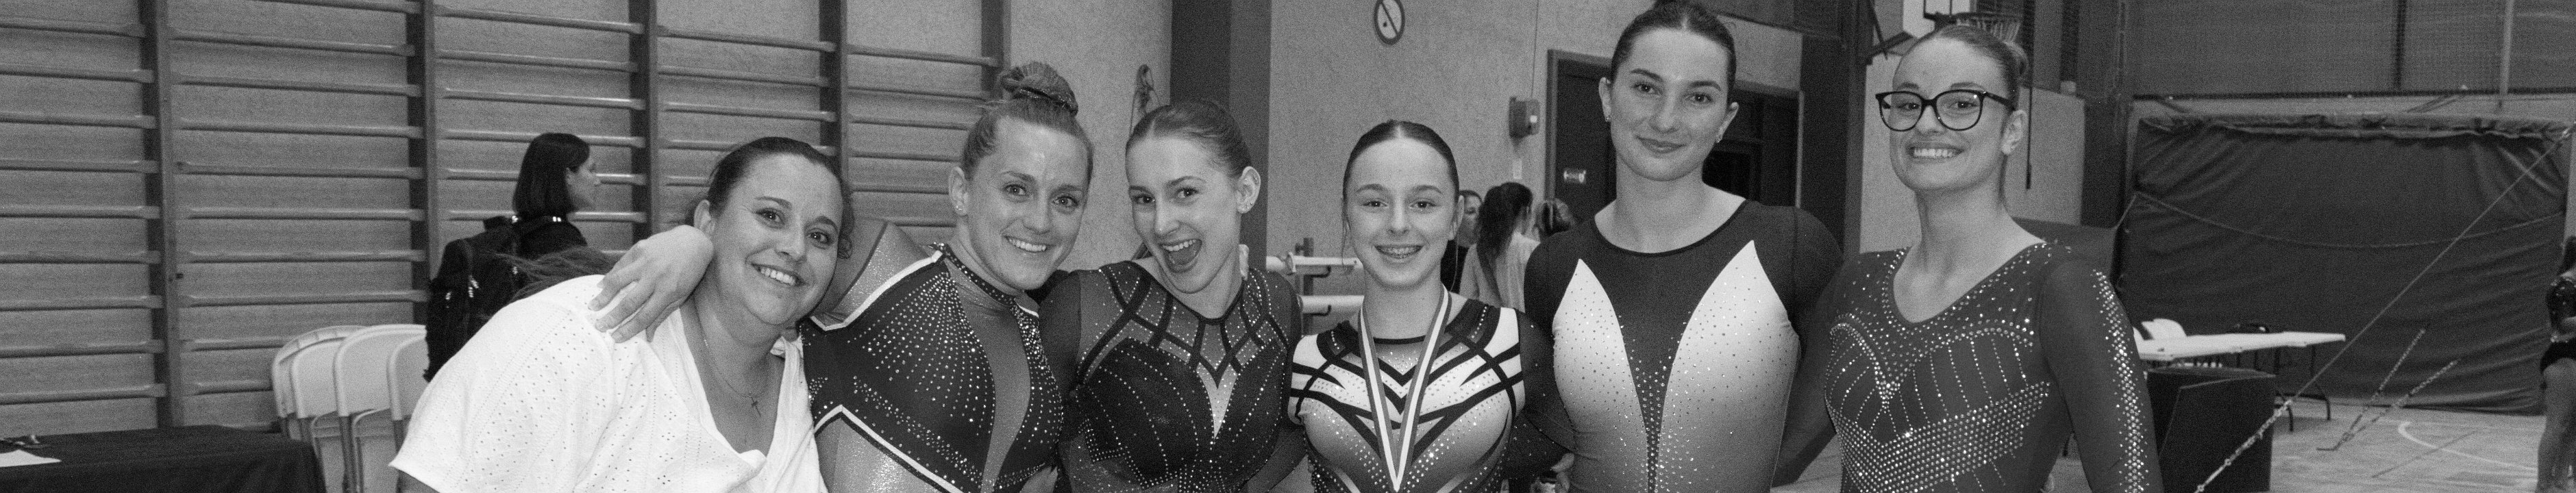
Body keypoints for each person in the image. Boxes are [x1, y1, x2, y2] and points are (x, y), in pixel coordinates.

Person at [578, 63, 1099, 492]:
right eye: (1016, 189)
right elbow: (771, 242)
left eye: (1066, 200)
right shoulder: (881, 264)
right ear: (961, 191)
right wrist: (693, 240)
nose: (1040, 221)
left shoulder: (1051, 329)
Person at [1774, 24, 2161, 492]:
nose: (1927, 123)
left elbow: (2133, 484)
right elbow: (1778, 459)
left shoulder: (2063, 288)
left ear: (2012, 131)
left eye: (1961, 104)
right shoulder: (1857, 282)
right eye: (1909, 103)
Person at [1515, 3, 1844, 492]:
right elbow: (1548, 431)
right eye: (1646, 88)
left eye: (1698, 97)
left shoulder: (1791, 245)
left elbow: (1844, 388)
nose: (1666, 120)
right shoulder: (1553, 266)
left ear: (1726, 118)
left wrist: (1769, 469)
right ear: (1607, 97)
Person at [391, 137, 843, 492]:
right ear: (708, 220)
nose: (796, 248)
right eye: (771, 215)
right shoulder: (584, 333)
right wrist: (693, 242)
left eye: (820, 236)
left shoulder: (816, 383)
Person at [1043, 100, 1306, 492]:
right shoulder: (1085, 306)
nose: (1161, 224)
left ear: (1245, 191)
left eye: (1185, 192)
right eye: (1144, 199)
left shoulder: (1277, 304)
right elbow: (1012, 463)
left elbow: (1290, 433)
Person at [1284, 121, 1535, 493]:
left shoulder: (1516, 343)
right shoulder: (1304, 363)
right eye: (1374, 203)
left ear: (1454, 218)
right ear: (1347, 218)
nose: (1398, 225)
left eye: (1423, 204)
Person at [423, 132, 599, 378]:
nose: (598, 181)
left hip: (480, 374)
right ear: (568, 175)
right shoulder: (562, 241)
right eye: (591, 170)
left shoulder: (510, 233)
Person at [1459, 181, 1537, 309]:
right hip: (1526, 321)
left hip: (1492, 321)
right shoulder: (1534, 250)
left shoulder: (1476, 252)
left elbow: (1467, 301)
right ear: (1526, 211)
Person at [2540, 237, 2576, 493]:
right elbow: (2563, 324)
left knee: (2573, 427)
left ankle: (2561, 481)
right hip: (2563, 358)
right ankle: (2544, 483)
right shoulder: (2563, 285)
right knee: (2558, 424)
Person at [1441, 190, 1484, 292]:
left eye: (1481, 211)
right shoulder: (1444, 255)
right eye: (1471, 212)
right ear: (1457, 217)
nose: (1479, 217)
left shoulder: (1487, 252)